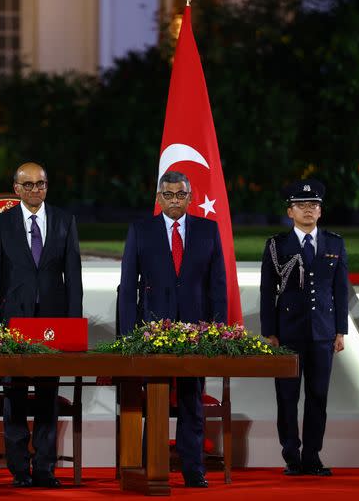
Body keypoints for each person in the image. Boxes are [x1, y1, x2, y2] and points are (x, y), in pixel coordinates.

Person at [118, 170, 227, 488]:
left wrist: (216, 332)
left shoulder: (208, 229)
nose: (175, 200)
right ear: (158, 198)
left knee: (192, 399)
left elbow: (217, 286)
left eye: (181, 194)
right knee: (156, 398)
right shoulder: (141, 230)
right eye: (168, 194)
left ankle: (194, 469)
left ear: (191, 198)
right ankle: (153, 463)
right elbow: (128, 287)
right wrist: (128, 335)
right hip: (154, 330)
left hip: (196, 330)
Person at [0, 162, 83, 488]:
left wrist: (73, 325)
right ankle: (19, 470)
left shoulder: (64, 220)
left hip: (53, 323)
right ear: (16, 189)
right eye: (28, 185)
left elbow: (74, 279)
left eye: (41, 184)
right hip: (14, 322)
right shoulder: (1, 224)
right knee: (14, 396)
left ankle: (44, 468)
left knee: (47, 395)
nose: (35, 190)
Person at [260, 179, 347, 477]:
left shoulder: (335, 243)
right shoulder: (276, 245)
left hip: (323, 333)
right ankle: (291, 455)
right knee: (286, 397)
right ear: (290, 211)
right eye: (302, 205)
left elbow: (340, 290)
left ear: (321, 211)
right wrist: (269, 332)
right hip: (287, 333)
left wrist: (340, 330)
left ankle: (312, 456)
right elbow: (266, 290)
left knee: (318, 396)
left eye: (314, 205)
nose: (309, 210)